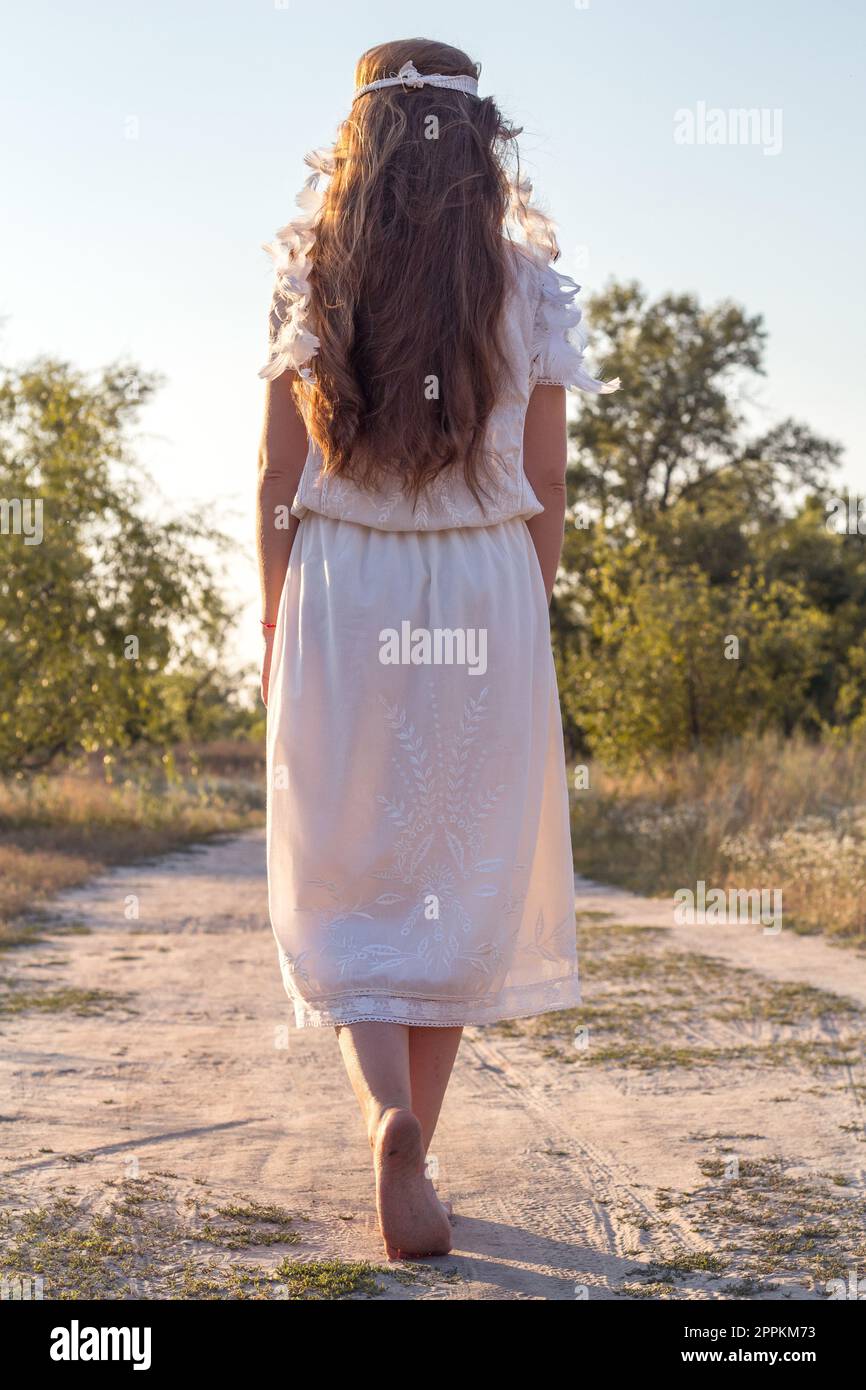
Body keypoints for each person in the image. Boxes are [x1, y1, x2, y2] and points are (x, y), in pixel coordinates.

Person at [255, 37, 618, 1260]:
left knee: (350, 861)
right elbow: (549, 477)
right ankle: (422, 1144)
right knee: (457, 867)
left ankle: (384, 1120)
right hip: (481, 585)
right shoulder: (527, 285)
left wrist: (271, 618)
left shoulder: (311, 275)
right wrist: (528, 610)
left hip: (344, 580)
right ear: (479, 144)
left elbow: (275, 473)